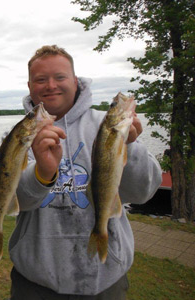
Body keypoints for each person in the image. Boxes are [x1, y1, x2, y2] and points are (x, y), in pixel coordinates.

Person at [8, 45, 162, 299]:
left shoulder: (105, 124)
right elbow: (13, 203)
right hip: (35, 281)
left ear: (75, 81)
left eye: (60, 77)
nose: (50, 85)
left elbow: (143, 192)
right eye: (40, 79)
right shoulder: (18, 136)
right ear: (29, 86)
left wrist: (131, 146)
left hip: (105, 278)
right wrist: (42, 174)